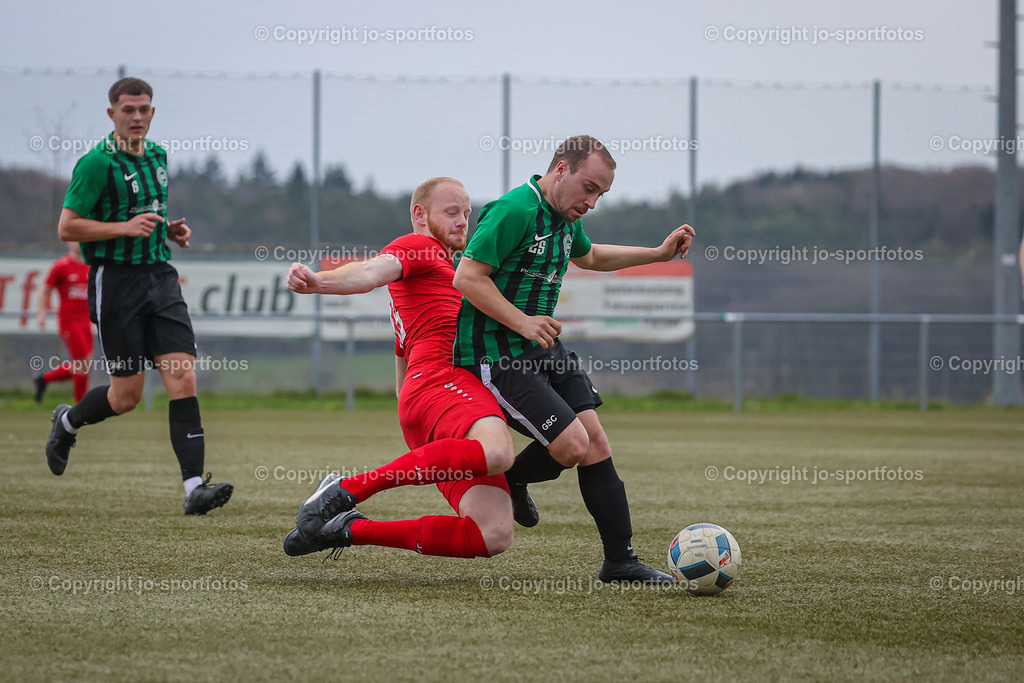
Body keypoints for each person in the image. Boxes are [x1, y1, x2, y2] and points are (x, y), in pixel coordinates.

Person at [452, 135, 695, 585]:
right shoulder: (515, 209)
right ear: (561, 169)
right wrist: (523, 322)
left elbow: (592, 256)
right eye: (589, 188)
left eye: (601, 194)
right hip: (498, 355)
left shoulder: (563, 217)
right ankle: (511, 479)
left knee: (595, 443)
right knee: (570, 446)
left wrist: (658, 254)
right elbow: (467, 277)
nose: (592, 202)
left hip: (545, 347)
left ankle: (619, 562)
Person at [283, 177, 516, 560]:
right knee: (497, 451)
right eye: (452, 212)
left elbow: (403, 352)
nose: (463, 221)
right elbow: (370, 272)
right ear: (420, 215)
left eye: (466, 213)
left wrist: (411, 408)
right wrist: (318, 281)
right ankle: (346, 489)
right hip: (443, 383)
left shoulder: (445, 274)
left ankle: (346, 529)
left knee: (493, 533)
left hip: (423, 400)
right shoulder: (422, 246)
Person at [44, 77, 232, 516]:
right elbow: (67, 226)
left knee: (183, 378)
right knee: (126, 397)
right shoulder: (96, 164)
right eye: (128, 109)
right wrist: (124, 229)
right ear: (112, 114)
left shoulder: (158, 157)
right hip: (117, 284)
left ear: (152, 112)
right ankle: (67, 422)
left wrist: (168, 231)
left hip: (160, 278)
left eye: (144, 109)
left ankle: (194, 490)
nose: (137, 116)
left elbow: (144, 216)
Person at [35, 242, 93, 403]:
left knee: (84, 365)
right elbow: (44, 290)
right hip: (70, 322)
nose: (78, 242)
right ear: (68, 241)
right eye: (74, 239)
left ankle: (44, 379)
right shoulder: (61, 266)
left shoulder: (90, 265)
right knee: (83, 365)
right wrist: (41, 313)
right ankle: (82, 405)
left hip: (86, 322)